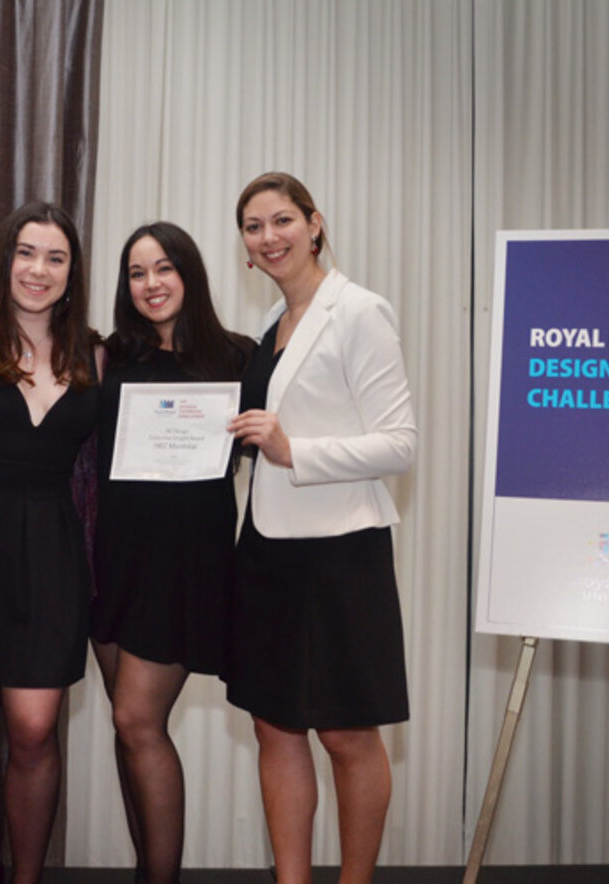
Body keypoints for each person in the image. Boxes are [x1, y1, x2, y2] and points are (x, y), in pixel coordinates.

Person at [225, 172, 417, 884]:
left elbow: (401, 444)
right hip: (267, 551)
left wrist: (293, 450)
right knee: (272, 724)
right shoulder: (269, 330)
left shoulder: (359, 311)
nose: (268, 237)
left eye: (282, 220)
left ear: (315, 225)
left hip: (342, 553)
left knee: (346, 732)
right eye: (253, 227)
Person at [0, 202, 100, 884]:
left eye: (55, 257)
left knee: (34, 728)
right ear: (4, 260)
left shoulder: (96, 353)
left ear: (72, 272)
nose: (39, 269)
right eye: (26, 253)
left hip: (57, 552)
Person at [90, 222, 254, 884]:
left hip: (186, 566)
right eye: (137, 272)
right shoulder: (108, 358)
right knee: (128, 727)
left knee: (137, 720)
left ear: (190, 273)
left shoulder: (239, 358)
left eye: (164, 268)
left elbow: (278, 445)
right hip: (111, 561)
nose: (151, 283)